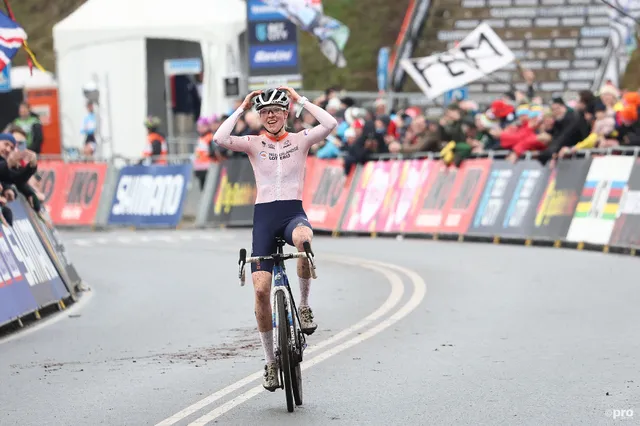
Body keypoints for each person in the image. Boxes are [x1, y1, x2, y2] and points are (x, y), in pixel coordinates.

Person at [213, 87, 337, 391]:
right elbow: (219, 138)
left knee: (304, 239)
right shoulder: (254, 143)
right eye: (264, 111)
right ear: (260, 116)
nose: (270, 115)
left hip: (292, 214)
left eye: (276, 110)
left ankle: (304, 306)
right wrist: (241, 107)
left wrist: (301, 99)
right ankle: (270, 362)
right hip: (264, 220)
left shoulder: (301, 139)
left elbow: (330, 124)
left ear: (286, 114)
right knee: (260, 292)